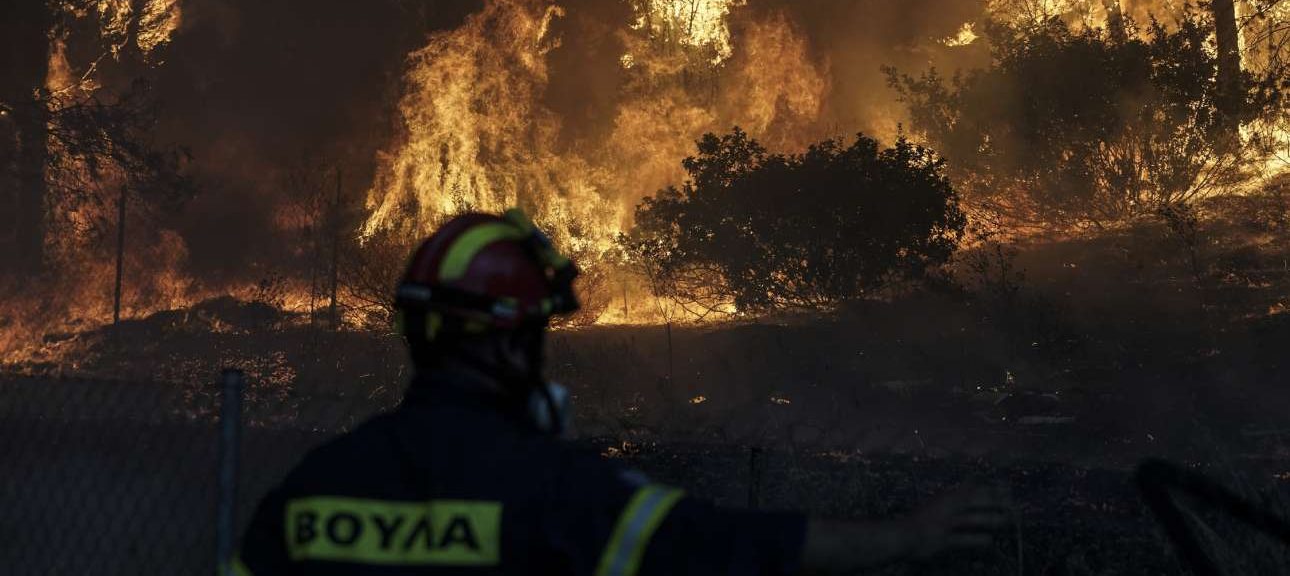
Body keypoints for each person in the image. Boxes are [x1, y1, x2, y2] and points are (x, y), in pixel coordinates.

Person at [234, 209, 1010, 575]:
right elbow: (729, 545)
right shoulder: (557, 495)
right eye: (538, 334)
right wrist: (906, 538)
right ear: (510, 341)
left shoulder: (310, 492)